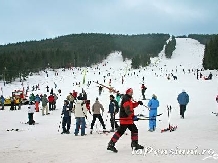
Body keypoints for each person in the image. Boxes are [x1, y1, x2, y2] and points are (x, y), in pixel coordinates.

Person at [107, 88, 144, 153]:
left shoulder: (128, 99)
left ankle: (134, 144)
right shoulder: (126, 99)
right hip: (125, 119)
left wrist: (137, 103)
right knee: (120, 132)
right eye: (131, 92)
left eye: (132, 92)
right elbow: (128, 110)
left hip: (128, 120)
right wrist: (133, 116)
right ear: (127, 92)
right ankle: (111, 144)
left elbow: (131, 106)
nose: (132, 93)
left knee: (134, 130)